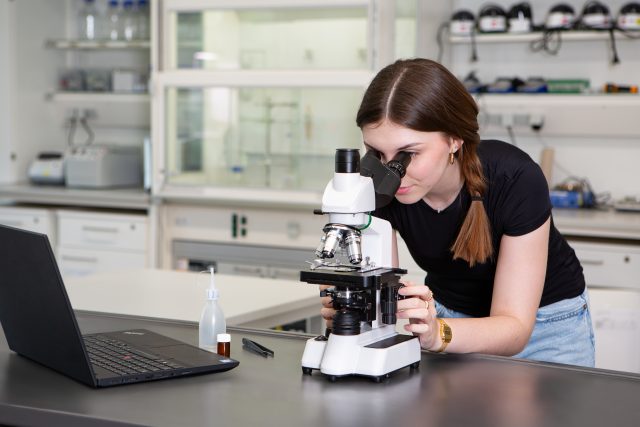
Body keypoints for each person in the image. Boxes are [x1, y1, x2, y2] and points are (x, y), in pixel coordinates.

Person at [320, 58, 595, 367]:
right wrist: (350, 309)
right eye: (376, 153)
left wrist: (439, 334)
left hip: (544, 330)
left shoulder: (515, 178)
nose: (390, 172)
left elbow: (514, 328)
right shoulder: (382, 183)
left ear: (453, 140)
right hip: (449, 318)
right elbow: (380, 294)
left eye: (408, 154)